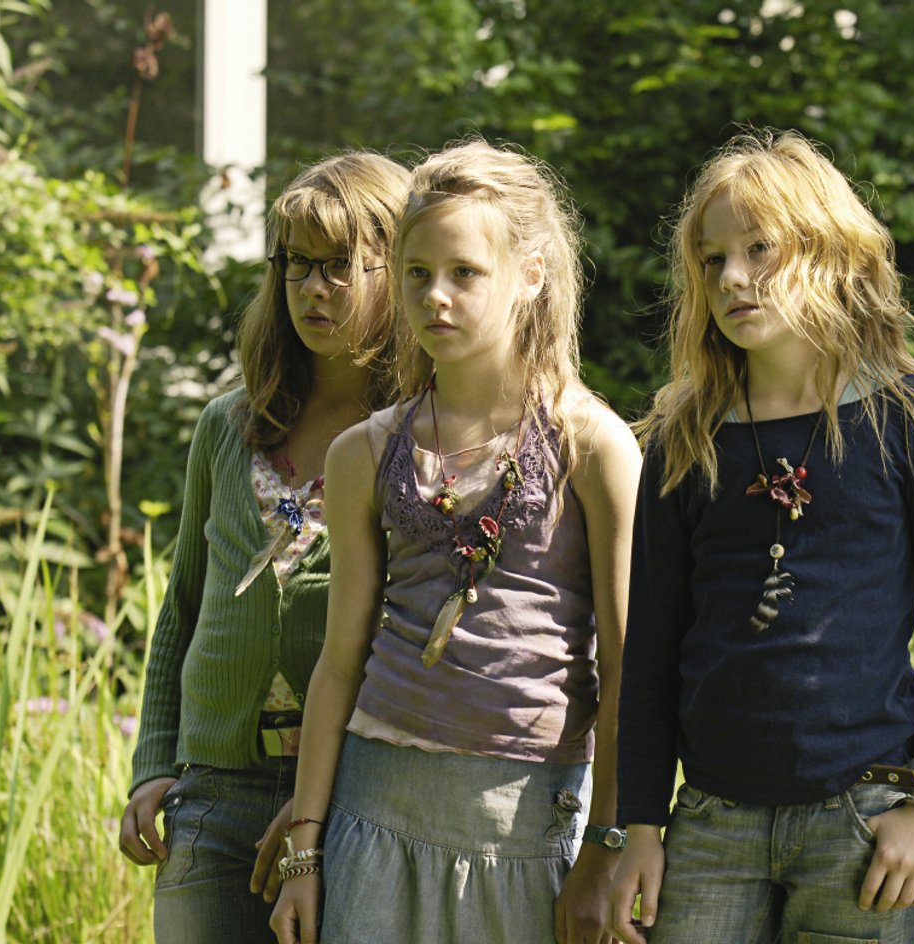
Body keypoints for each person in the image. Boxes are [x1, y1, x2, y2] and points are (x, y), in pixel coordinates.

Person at [608, 130, 914, 944]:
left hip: (862, 818)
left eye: (759, 249)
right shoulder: (685, 436)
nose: (732, 277)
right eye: (712, 259)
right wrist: (640, 826)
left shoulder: (909, 416)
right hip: (710, 824)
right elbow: (650, 648)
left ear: (829, 250)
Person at [267, 139, 639, 944]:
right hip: (372, 814)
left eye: (465, 272)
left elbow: (626, 666)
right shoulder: (365, 453)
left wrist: (605, 849)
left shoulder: (592, 445)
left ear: (530, 276)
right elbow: (340, 661)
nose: (435, 296)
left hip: (526, 825)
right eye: (416, 273)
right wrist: (306, 846)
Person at [117, 151, 413, 944]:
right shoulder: (228, 424)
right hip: (214, 797)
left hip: (354, 797)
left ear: (399, 270)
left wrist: (327, 800)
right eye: (296, 265)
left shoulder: (415, 439)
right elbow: (182, 608)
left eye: (341, 265)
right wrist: (155, 765)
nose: (314, 288)